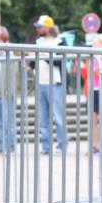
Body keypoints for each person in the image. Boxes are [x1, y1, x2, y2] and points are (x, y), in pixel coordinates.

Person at [32, 20, 68, 154]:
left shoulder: (60, 41)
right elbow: (34, 62)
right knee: (43, 118)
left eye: (40, 27)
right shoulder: (38, 42)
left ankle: (61, 145)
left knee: (58, 117)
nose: (38, 29)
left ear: (48, 28)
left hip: (55, 82)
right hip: (40, 81)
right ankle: (46, 146)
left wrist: (46, 56)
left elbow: (62, 61)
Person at [0, 26, 17, 154]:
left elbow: (13, 76)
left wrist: (9, 90)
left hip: (6, 93)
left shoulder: (10, 55)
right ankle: (1, 145)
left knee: (8, 121)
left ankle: (10, 145)